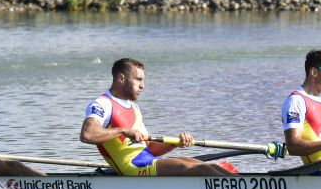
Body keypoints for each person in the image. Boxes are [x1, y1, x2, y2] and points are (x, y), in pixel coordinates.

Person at [79, 58, 236, 176]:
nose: (143, 85)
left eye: (143, 80)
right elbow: (87, 135)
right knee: (199, 169)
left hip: (147, 160)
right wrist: (123, 131)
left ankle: (241, 184)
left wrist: (175, 144)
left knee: (205, 165)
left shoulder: (133, 107)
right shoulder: (103, 104)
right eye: (138, 79)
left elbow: (150, 148)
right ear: (121, 79)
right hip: (133, 168)